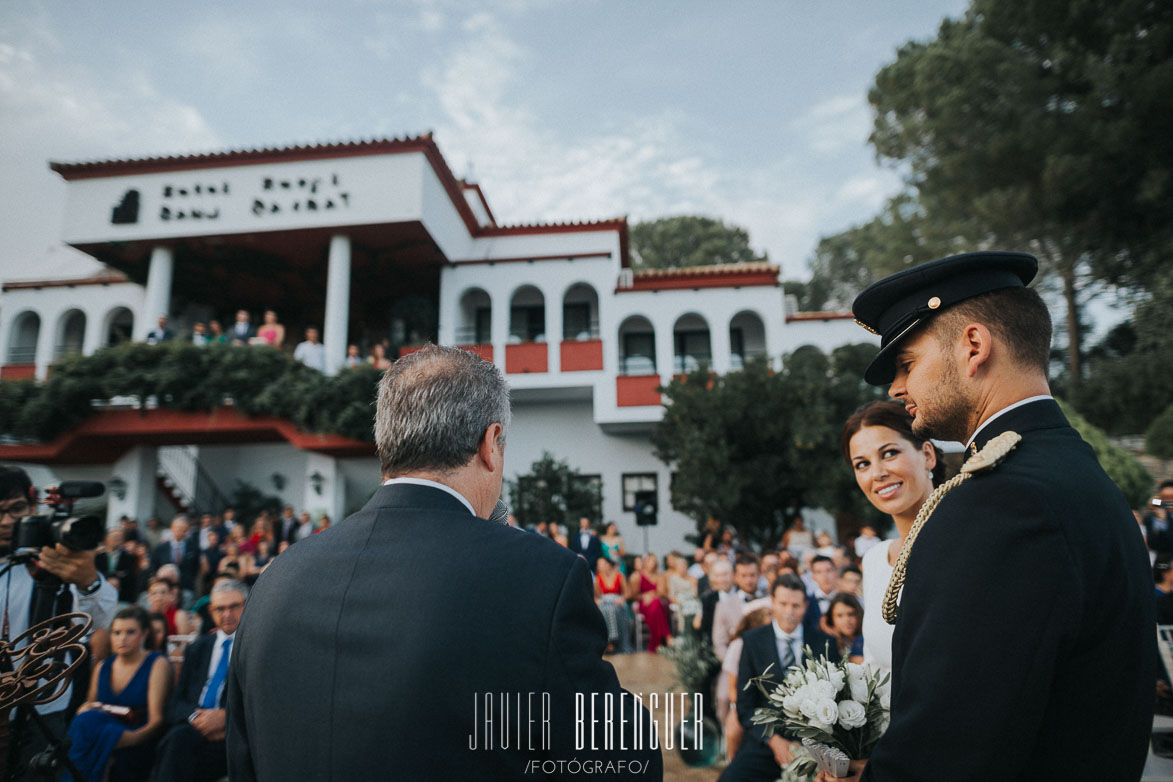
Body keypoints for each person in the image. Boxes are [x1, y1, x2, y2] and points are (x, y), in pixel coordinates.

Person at [225, 345, 661, 780]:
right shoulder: (539, 578)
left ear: (384, 444)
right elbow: (625, 762)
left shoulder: (275, 580)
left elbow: (241, 760)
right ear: (491, 444)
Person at [838, 250, 1154, 781]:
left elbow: (948, 750)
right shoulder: (1071, 468)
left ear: (974, 346)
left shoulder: (1000, 501)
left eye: (908, 364)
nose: (896, 388)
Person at [0, 465, 118, 781]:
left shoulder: (55, 557)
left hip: (42, 708)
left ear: (33, 505)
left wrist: (88, 581)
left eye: (17, 510)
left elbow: (102, 618)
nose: (7, 522)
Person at [841, 400, 943, 677]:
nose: (878, 473)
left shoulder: (962, 544)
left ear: (927, 455)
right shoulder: (874, 559)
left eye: (889, 453)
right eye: (862, 464)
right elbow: (875, 666)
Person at [719, 574, 839, 782]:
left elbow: (836, 698)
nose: (789, 612)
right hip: (764, 743)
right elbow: (745, 707)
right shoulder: (752, 641)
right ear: (772, 602)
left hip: (815, 745)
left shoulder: (825, 643)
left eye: (796, 606)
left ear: (805, 605)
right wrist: (772, 740)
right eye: (783, 604)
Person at [151, 580, 247, 782]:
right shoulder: (198, 648)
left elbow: (263, 703)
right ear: (211, 611)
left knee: (175, 746)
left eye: (233, 607)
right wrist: (198, 720)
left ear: (246, 605)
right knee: (175, 741)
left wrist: (225, 718)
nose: (227, 614)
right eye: (220, 608)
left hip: (233, 735)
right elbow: (175, 704)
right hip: (193, 730)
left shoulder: (255, 649)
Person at [65, 606, 172, 782]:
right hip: (102, 733)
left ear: (144, 634)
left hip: (138, 737)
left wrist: (127, 739)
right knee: (84, 720)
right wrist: (84, 710)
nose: (122, 638)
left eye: (130, 632)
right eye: (116, 632)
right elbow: (90, 705)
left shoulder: (156, 664)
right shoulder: (102, 666)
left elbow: (156, 721)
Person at [721, 606, 772, 763]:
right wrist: (750, 706)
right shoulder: (739, 645)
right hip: (744, 702)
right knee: (733, 732)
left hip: (769, 702)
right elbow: (732, 690)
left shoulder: (772, 645)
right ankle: (733, 762)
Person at [631, 551, 672, 653]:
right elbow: (634, 595)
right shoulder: (637, 577)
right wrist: (644, 596)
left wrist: (651, 595)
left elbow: (661, 592)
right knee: (656, 605)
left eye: (654, 561)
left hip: (656, 603)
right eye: (650, 561)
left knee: (656, 604)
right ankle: (666, 637)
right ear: (644, 562)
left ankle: (655, 643)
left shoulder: (660, 576)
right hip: (644, 604)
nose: (652, 563)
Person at [594, 556, 633, 653]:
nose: (600, 567)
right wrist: (598, 601)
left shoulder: (620, 576)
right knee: (606, 610)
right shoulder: (598, 578)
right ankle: (611, 639)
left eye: (602, 564)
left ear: (608, 565)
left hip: (617, 601)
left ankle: (611, 641)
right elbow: (596, 596)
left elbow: (627, 593)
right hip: (605, 601)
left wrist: (621, 599)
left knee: (612, 610)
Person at [823, 593, 864, 663]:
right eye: (840, 615)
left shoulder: (864, 640)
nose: (846, 620)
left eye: (851, 614)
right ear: (831, 618)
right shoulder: (829, 643)